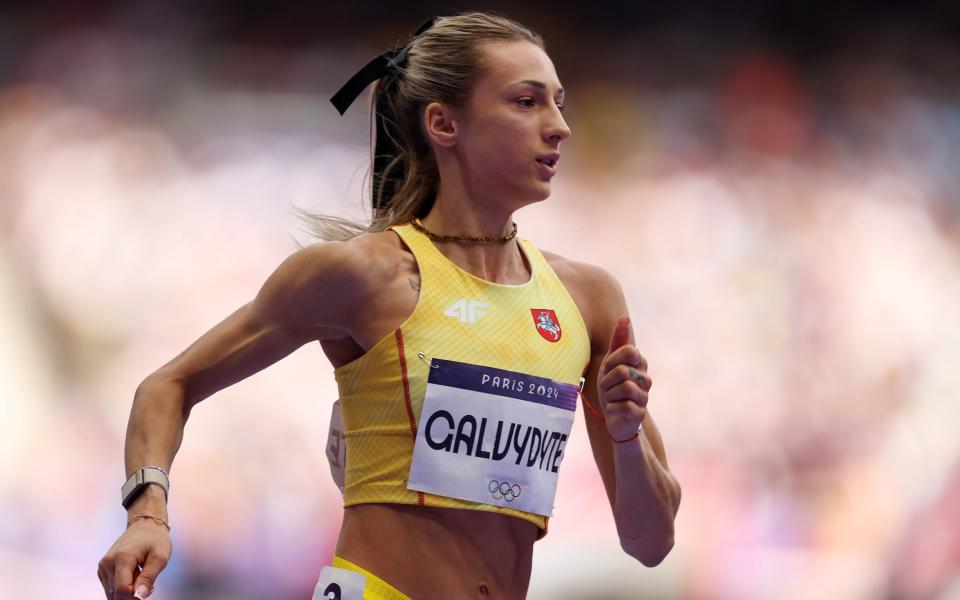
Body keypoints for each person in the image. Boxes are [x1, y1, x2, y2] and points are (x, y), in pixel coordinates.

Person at [97, 10, 681, 600]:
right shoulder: (365, 275)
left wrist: (625, 435)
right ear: (443, 123)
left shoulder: (587, 298)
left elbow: (650, 543)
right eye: (527, 102)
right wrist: (147, 516)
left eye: (559, 103)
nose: (559, 127)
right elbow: (168, 384)